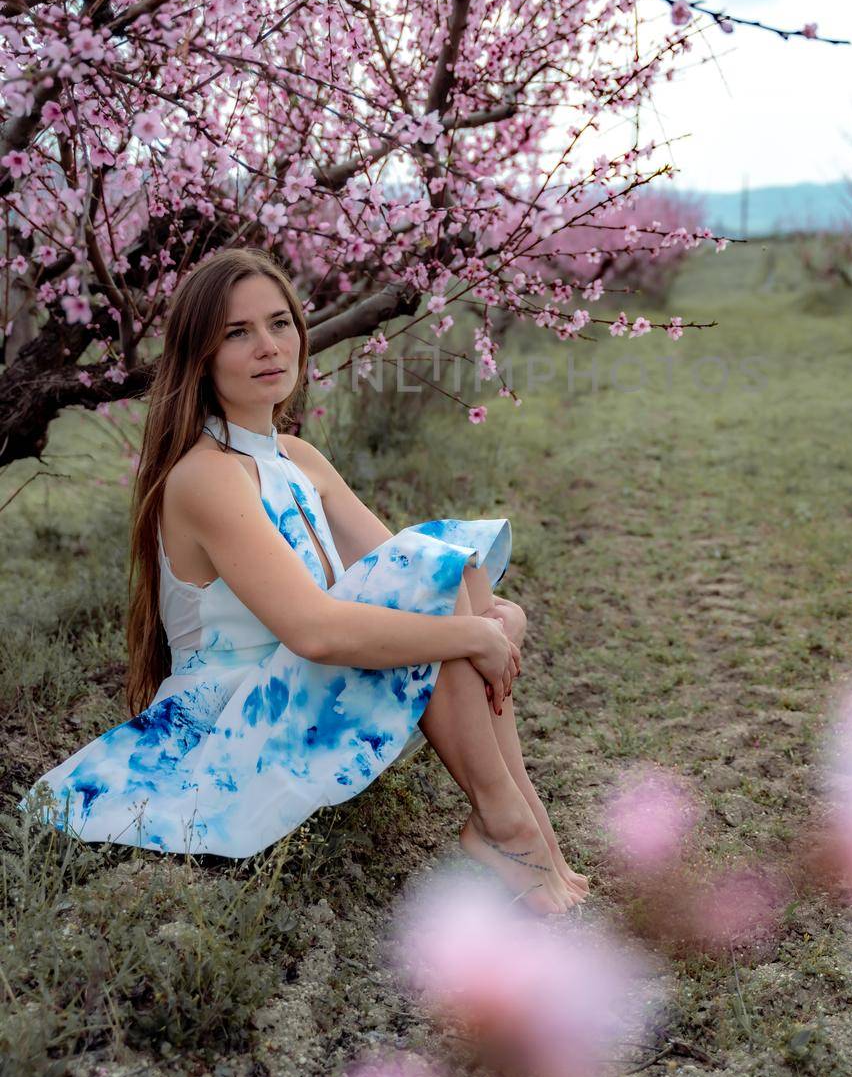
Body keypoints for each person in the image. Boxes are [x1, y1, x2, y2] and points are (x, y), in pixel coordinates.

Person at [19, 248, 588, 916]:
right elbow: (315, 632)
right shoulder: (207, 475)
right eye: (237, 333)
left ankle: (523, 825)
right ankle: (507, 827)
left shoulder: (296, 457)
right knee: (443, 585)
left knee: (448, 561)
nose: (268, 346)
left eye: (280, 323)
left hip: (296, 697)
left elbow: (424, 575)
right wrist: (473, 632)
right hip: (234, 724)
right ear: (200, 357)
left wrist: (490, 621)